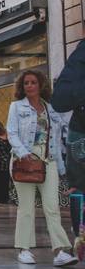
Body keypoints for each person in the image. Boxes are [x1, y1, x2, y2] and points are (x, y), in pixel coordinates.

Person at [7, 69, 76, 267]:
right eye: (26, 83)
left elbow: (58, 137)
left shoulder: (50, 108)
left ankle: (60, 250)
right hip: (25, 160)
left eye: (33, 82)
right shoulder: (16, 107)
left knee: (52, 207)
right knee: (26, 208)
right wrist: (22, 152)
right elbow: (11, 132)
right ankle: (25, 249)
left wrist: (64, 170)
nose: (29, 86)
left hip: (49, 160)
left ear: (41, 85)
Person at [51, 40, 85, 239]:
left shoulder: (80, 53)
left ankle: (80, 234)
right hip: (80, 134)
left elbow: (61, 99)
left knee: (79, 187)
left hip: (78, 130)